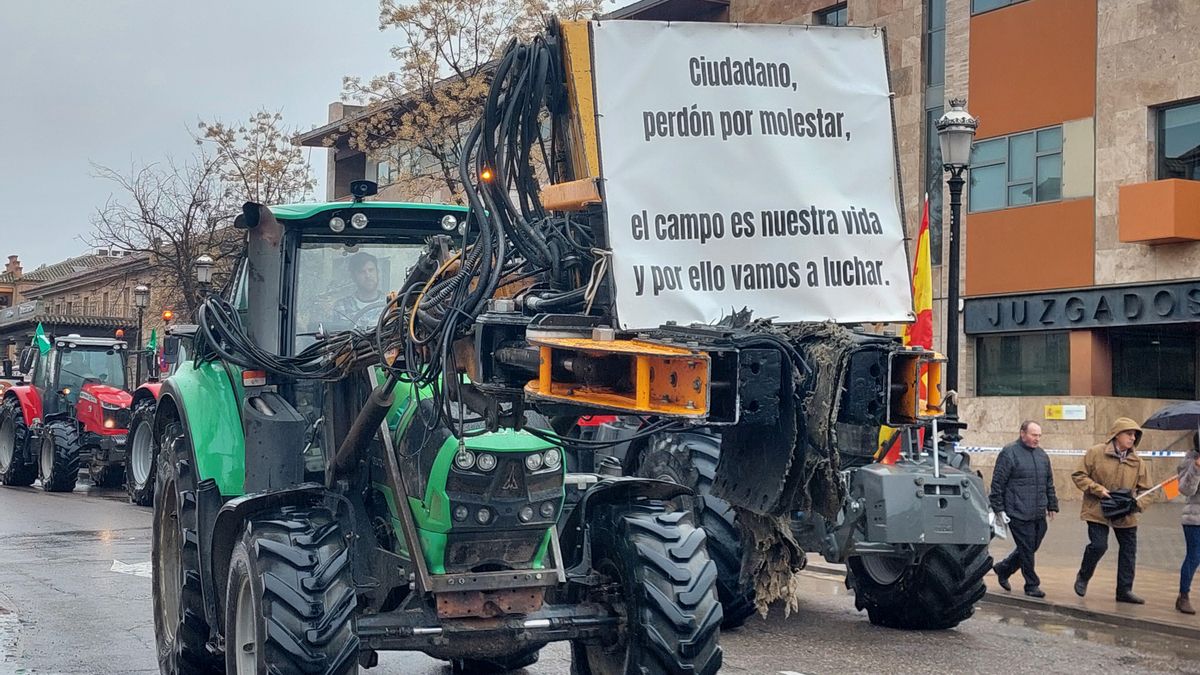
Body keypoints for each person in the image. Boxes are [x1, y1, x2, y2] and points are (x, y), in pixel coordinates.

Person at [1072, 417, 1153, 604]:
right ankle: (1083, 576)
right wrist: (1097, 489)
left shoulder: (1138, 462)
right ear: (1116, 435)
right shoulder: (1095, 453)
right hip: (1097, 509)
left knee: (1128, 551)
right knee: (1099, 545)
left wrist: (1137, 504)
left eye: (1135, 435)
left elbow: (1148, 490)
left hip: (1125, 512)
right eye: (1129, 434)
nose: (1133, 438)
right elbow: (1079, 475)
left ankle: (1124, 591)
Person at [989, 421, 1058, 598]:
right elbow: (998, 483)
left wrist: (1052, 504)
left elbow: (1048, 482)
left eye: (1039, 435)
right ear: (1022, 433)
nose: (1037, 439)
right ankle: (1032, 584)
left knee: (1032, 545)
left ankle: (1004, 568)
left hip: (1038, 510)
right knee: (1027, 548)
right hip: (1017, 510)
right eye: (1034, 435)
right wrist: (998, 508)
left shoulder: (1042, 455)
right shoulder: (1009, 453)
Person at [331, 252, 387, 330]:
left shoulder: (390, 304)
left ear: (377, 272)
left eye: (371, 270)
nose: (368, 276)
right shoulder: (341, 307)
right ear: (353, 277)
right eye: (362, 272)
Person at [1176, 433, 1200, 614]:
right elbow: (1186, 489)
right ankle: (1183, 596)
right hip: (1195, 518)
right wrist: (1196, 468)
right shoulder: (1189, 462)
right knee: (1194, 556)